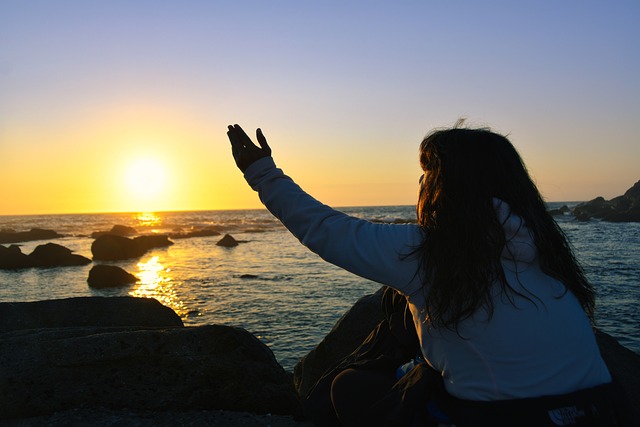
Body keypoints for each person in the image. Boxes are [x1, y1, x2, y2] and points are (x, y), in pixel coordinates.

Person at [226, 123, 632, 426]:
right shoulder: (545, 247)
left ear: (446, 187)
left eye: (428, 173)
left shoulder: (432, 252)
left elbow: (328, 231)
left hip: (507, 419)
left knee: (350, 386)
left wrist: (262, 172)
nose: (421, 183)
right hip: (603, 411)